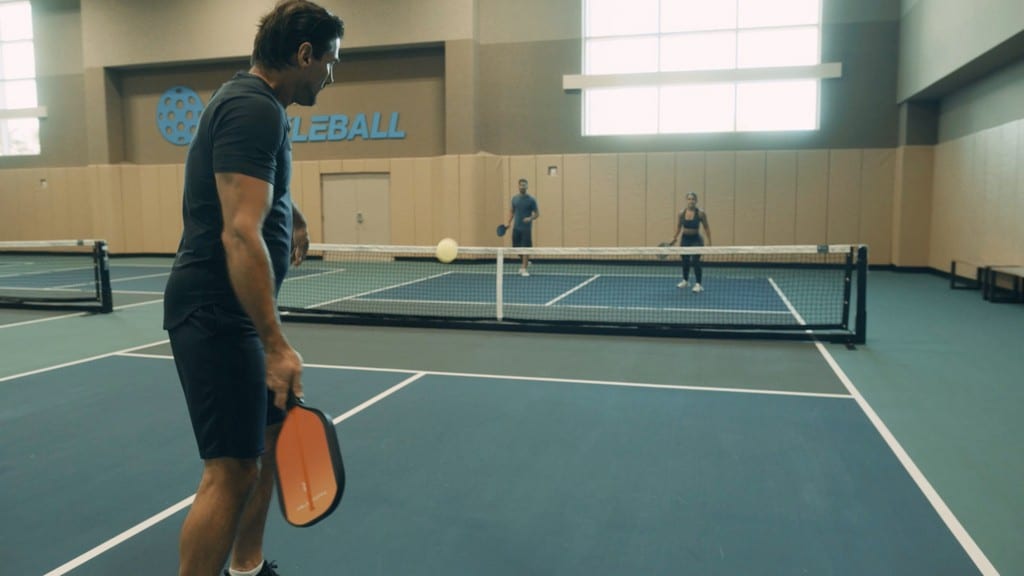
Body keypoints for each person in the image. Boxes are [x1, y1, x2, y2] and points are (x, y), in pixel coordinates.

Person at [161, 2, 343, 575]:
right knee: (232, 469)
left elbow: (247, 197)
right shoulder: (252, 108)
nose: (331, 75)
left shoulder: (254, 104)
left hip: (228, 311)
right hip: (217, 314)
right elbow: (239, 231)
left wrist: (292, 214)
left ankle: (248, 567)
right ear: (304, 54)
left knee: (264, 442)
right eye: (329, 61)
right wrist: (274, 343)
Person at [670, 192, 712, 292]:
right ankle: (685, 280)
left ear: (696, 201)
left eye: (693, 199)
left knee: (695, 261)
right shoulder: (681, 213)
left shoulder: (700, 213)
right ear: (687, 200)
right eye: (689, 199)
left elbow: (706, 227)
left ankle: (698, 284)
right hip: (685, 239)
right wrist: (674, 238)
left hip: (696, 239)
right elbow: (679, 227)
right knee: (685, 260)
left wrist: (709, 242)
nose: (691, 201)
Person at [504, 178, 539, 276]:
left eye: (524, 185)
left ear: (527, 186)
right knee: (516, 248)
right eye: (521, 185)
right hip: (516, 228)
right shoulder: (515, 199)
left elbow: (537, 214)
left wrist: (530, 218)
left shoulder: (531, 200)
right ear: (518, 186)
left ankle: (523, 268)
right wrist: (508, 222)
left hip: (526, 229)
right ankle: (526, 261)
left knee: (525, 248)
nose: (522, 186)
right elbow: (512, 211)